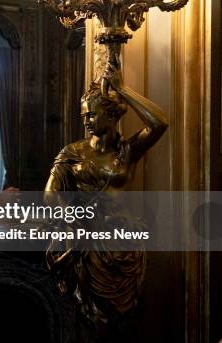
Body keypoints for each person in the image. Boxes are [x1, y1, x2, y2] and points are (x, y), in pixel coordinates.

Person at [44, 69, 168, 322]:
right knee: (88, 318)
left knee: (124, 322)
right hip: (86, 243)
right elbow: (50, 195)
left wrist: (123, 90)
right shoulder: (73, 153)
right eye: (83, 115)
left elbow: (160, 123)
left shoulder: (128, 151)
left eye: (91, 114)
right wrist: (76, 218)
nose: (86, 120)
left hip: (123, 245)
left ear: (111, 115)